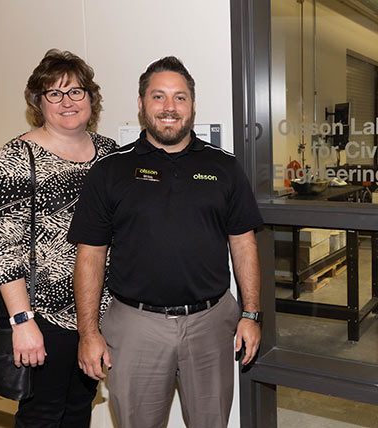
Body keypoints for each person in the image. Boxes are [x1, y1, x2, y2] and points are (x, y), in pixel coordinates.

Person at [68, 56, 263, 428]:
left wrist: (251, 315)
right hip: (136, 326)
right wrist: (88, 333)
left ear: (192, 105)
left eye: (180, 97)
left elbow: (244, 244)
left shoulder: (224, 167)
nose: (169, 108)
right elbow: (90, 256)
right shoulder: (110, 170)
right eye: (158, 97)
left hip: (210, 323)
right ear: (141, 104)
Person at [0, 49, 117, 427]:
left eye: (76, 91)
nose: (67, 102)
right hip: (43, 315)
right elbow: (5, 250)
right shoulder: (15, 157)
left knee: (78, 407)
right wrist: (22, 322)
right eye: (54, 94)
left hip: (96, 314)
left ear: (91, 98)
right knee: (42, 412)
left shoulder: (110, 155)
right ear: (39, 103)